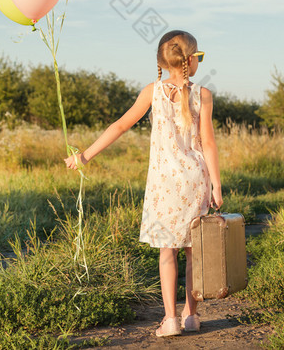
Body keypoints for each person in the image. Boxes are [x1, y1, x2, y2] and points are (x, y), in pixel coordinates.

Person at [64, 30, 223, 337]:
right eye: (199, 56)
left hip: (164, 185)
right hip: (196, 181)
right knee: (194, 252)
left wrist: (85, 156)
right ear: (190, 60)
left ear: (164, 62)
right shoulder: (203, 94)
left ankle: (170, 320)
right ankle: (192, 315)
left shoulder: (152, 92)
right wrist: (216, 185)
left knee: (168, 252)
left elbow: (121, 125)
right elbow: (209, 143)